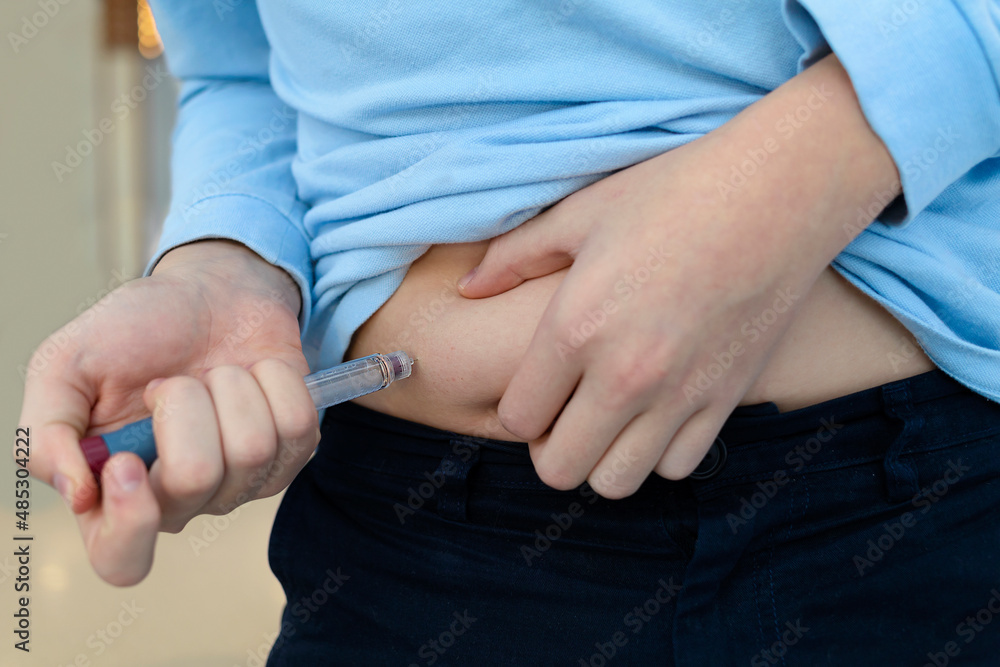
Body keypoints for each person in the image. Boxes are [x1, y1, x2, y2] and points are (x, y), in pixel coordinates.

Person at [19, 1, 1000, 664]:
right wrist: (226, 260)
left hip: (894, 523)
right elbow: (243, 69)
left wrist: (799, 175)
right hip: (409, 547)